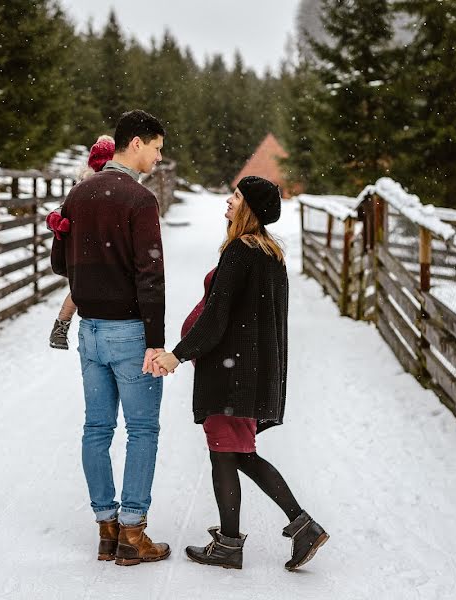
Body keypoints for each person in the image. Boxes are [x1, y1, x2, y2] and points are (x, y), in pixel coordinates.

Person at [154, 176, 329, 571]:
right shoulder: (269, 254)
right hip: (247, 375)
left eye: (234, 197)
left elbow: (217, 318)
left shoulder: (240, 251)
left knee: (227, 455)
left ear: (249, 206)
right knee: (237, 454)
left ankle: (237, 543)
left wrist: (177, 355)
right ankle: (296, 527)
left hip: (230, 376)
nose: (227, 203)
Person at [50, 110, 171, 566]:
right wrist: (155, 342)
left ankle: (105, 526)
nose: (159, 157)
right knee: (142, 430)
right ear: (135, 143)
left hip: (90, 333)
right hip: (129, 332)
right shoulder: (139, 200)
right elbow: (151, 275)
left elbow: (60, 265)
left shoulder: (78, 195)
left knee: (97, 428)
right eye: (157, 147)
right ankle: (132, 532)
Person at [47, 134, 116, 350]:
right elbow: (59, 212)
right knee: (80, 287)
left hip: (104, 246)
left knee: (88, 286)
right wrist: (59, 222)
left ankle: (66, 324)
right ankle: (61, 324)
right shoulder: (82, 188)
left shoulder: (119, 187)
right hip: (86, 247)